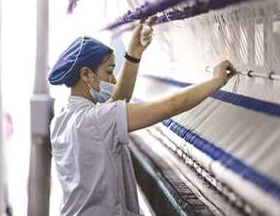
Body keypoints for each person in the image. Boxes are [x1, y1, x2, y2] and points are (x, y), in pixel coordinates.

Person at [48, 19, 236, 216]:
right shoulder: (97, 119)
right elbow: (172, 105)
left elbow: (119, 99)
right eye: (109, 72)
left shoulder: (62, 120)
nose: (113, 80)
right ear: (86, 74)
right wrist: (216, 81)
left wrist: (134, 54)